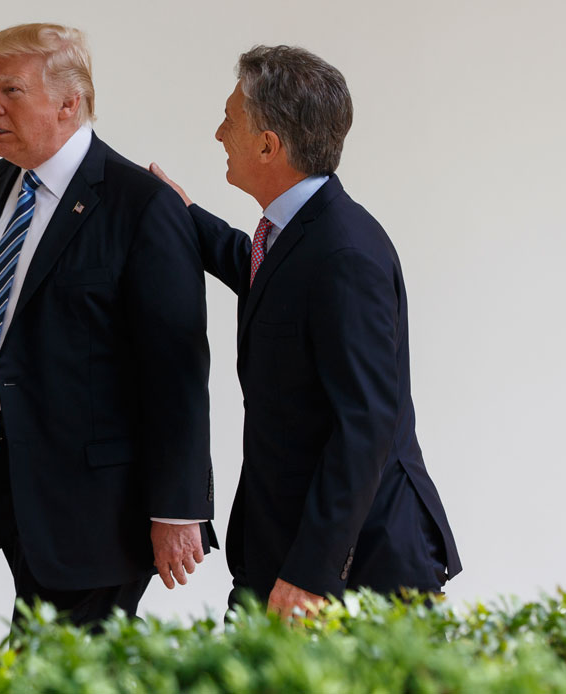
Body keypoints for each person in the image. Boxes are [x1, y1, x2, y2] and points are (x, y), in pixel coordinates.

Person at [0, 23, 216, 628]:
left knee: (53, 662)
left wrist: (179, 509)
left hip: (102, 508)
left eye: (11, 91)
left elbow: (176, 371)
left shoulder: (142, 205)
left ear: (69, 102)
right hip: (9, 483)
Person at [150, 45, 461, 619]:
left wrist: (311, 575)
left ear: (269, 145)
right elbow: (271, 278)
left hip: (355, 568)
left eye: (231, 120)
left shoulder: (345, 253)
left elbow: (364, 426)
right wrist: (185, 218)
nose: (219, 133)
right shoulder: (303, 234)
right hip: (286, 550)